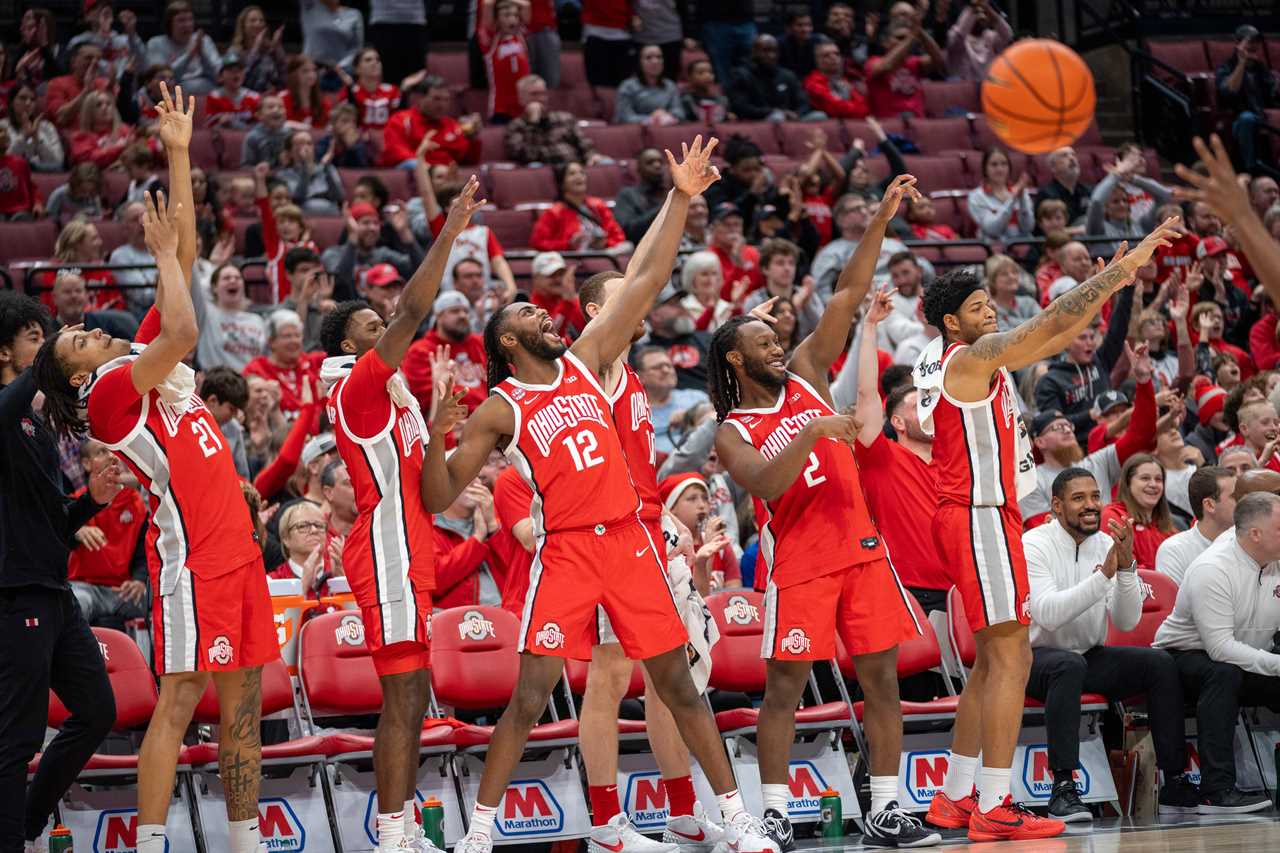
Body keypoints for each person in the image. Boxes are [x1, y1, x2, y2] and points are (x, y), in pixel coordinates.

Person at [425, 138, 774, 853]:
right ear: (506, 342)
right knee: (528, 698)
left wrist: (681, 197)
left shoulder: (587, 360)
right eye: (528, 314)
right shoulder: (501, 404)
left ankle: (734, 817)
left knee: (677, 683)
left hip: (631, 541)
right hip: (568, 553)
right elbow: (439, 490)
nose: (545, 317)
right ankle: (479, 833)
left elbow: (643, 281)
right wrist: (436, 431)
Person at [32, 85, 274, 853]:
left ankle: (243, 840)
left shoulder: (138, 363)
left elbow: (187, 264)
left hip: (237, 554)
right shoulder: (109, 396)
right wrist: (166, 256)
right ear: (75, 375)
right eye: (73, 337)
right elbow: (185, 319)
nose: (85, 331)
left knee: (243, 705)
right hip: (191, 561)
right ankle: (153, 842)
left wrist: (177, 152)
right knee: (179, 700)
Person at [915, 215, 1177, 840]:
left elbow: (1059, 333)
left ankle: (954, 797)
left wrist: (1112, 285)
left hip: (983, 517)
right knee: (1012, 655)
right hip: (977, 518)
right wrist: (1121, 270)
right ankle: (996, 805)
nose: (989, 314)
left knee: (989, 664)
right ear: (953, 323)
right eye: (979, 306)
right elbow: (1052, 321)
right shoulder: (971, 357)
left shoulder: (984, 363)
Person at [714, 176, 938, 848]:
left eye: (776, 335)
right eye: (761, 341)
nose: (776, 345)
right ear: (735, 357)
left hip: (861, 549)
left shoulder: (809, 369)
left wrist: (880, 218)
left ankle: (888, 807)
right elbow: (767, 483)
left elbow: (846, 294)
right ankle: (776, 808)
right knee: (785, 686)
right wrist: (813, 432)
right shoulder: (734, 426)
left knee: (883, 679)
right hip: (802, 561)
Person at [318, 176, 481, 852]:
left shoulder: (400, 403)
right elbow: (413, 309)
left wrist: (446, 428)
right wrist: (450, 228)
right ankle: (391, 832)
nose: (381, 325)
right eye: (369, 325)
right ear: (352, 346)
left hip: (413, 542)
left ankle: (404, 820)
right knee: (404, 693)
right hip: (383, 546)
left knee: (414, 698)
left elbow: (439, 498)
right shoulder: (358, 389)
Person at [572, 266, 729, 853]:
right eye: (623, 296)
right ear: (595, 314)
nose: (641, 301)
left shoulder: (631, 375)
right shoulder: (593, 363)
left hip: (646, 530)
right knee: (609, 678)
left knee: (670, 682)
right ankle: (606, 825)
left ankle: (683, 813)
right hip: (603, 537)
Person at [0, 291, 119, 852]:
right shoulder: (6, 412)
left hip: (54, 591)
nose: (48, 339)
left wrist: (90, 500)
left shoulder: (38, 427)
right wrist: (70, 352)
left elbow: (52, 522)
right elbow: (41, 373)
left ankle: (26, 821)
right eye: (36, 336)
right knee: (17, 739)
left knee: (97, 711)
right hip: (16, 595)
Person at [1024, 468, 1199, 822]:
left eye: (1095, 497)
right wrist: (1104, 575)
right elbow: (1048, 614)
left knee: (1159, 663)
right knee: (1066, 665)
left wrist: (1127, 569)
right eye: (1078, 499)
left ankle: (1175, 780)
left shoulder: (1106, 543)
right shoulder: (1034, 544)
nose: (1090, 506)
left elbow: (1126, 621)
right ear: (1056, 506)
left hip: (1086, 656)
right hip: (1033, 659)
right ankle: (1063, 787)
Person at [1151, 491, 1280, 813]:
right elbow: (1220, 648)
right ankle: (1216, 789)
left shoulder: (1273, 559)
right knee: (1223, 673)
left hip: (1245, 653)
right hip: (1180, 658)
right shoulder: (1213, 568)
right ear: (1255, 534)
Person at [1034, 281, 1137, 445]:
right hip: (1078, 447)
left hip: (1110, 439)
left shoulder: (1100, 361)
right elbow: (1053, 425)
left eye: (1091, 337)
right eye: (1082, 338)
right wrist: (1090, 415)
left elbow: (1118, 329)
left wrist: (1128, 289)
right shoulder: (1050, 381)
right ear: (1066, 343)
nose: (1090, 343)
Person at [403, 291, 489, 414]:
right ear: (438, 316)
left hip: (491, 417)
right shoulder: (420, 351)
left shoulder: (480, 343)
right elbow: (426, 400)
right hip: (453, 423)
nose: (462, 316)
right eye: (455, 311)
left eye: (465, 311)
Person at [1156, 466, 1236, 584]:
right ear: (1210, 505)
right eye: (1236, 496)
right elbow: (1174, 601)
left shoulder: (1251, 542)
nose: (1245, 501)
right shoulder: (1174, 550)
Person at [1215, 26, 1278, 172]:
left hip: (1263, 117)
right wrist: (1242, 62)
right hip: (1237, 121)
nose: (1254, 44)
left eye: (1256, 41)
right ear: (1237, 43)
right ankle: (1251, 169)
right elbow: (1229, 91)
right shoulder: (1226, 68)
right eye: (1250, 41)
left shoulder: (1261, 68)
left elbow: (1273, 93)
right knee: (1247, 118)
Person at [530, 162, 632, 253]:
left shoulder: (598, 205)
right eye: (572, 174)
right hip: (572, 256)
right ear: (561, 183)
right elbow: (538, 243)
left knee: (628, 246)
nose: (579, 176)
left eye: (582, 173)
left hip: (603, 252)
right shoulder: (554, 212)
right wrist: (569, 244)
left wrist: (605, 243)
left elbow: (618, 236)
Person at [381, 76, 481, 168]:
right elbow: (395, 153)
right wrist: (427, 168)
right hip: (416, 175)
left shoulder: (452, 125)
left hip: (447, 179)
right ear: (420, 98)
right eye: (436, 99)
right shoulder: (401, 120)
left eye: (446, 100)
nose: (442, 105)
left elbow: (468, 162)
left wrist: (473, 140)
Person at [1100, 453, 1176, 571]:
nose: (1153, 484)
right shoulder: (1113, 517)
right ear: (1128, 482)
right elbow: (1125, 568)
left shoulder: (1170, 528)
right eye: (1145, 478)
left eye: (1158, 479)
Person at [503, 75, 599, 166]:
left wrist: (591, 155)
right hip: (544, 173)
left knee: (605, 162)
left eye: (543, 93)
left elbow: (584, 143)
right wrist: (533, 122)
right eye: (534, 94)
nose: (541, 98)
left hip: (573, 169)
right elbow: (528, 155)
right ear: (521, 99)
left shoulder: (564, 118)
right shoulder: (516, 126)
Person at [634, 345, 711, 455]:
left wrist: (692, 416)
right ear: (641, 377)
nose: (666, 370)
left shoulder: (696, 398)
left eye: (669, 366)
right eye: (657, 367)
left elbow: (717, 423)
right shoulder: (635, 412)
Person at [864, 23, 943, 119]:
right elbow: (886, 66)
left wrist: (921, 33)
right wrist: (910, 38)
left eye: (908, 39)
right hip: (890, 125)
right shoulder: (873, 62)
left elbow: (939, 60)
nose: (906, 43)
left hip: (917, 123)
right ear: (885, 42)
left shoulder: (914, 62)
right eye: (900, 38)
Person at [727, 35, 813, 123]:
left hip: (790, 121)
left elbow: (804, 102)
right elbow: (740, 107)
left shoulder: (787, 75)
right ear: (754, 52)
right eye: (765, 51)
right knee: (777, 117)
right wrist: (772, 111)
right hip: (757, 122)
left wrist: (797, 113)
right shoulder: (741, 75)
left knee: (818, 115)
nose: (771, 55)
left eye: (774, 51)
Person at [145, 1, 220, 95]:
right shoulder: (156, 43)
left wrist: (202, 54)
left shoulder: (204, 40)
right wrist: (189, 56)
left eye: (190, 19)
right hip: (173, 94)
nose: (187, 25)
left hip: (207, 91)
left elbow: (218, 74)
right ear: (170, 23)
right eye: (181, 20)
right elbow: (162, 80)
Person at [477, 0, 531, 123]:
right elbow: (487, 4)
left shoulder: (522, 35)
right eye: (506, 15)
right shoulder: (490, 39)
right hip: (501, 107)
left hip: (522, 105)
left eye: (516, 15)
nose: (512, 19)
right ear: (497, 19)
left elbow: (526, 5)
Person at [967, 148, 1034, 240]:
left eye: (1004, 164)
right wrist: (1012, 199)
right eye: (994, 165)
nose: (1000, 169)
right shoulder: (976, 196)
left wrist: (1022, 199)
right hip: (993, 247)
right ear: (985, 169)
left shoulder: (1021, 192)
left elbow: (1028, 227)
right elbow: (992, 229)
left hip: (1023, 245)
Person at [616, 45, 689, 125]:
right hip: (636, 133)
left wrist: (667, 115)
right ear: (639, 62)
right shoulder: (627, 86)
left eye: (659, 57)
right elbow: (624, 117)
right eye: (648, 57)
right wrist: (652, 119)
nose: (655, 61)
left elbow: (680, 113)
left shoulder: (670, 85)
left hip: (665, 130)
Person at [276, 129, 344, 215]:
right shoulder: (284, 175)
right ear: (290, 152)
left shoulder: (327, 167)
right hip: (302, 217)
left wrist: (326, 168)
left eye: (309, 143)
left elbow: (339, 197)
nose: (305, 147)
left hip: (331, 214)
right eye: (300, 144)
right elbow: (297, 199)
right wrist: (305, 167)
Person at [0, 82, 64, 172]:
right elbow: (3, 161)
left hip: (43, 177)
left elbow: (57, 162)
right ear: (11, 102)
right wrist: (24, 137)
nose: (28, 103)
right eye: (22, 98)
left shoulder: (47, 127)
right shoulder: (2, 126)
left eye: (32, 99)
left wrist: (37, 138)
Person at [300, 0, 364, 86]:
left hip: (343, 69)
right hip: (312, 67)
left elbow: (356, 48)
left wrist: (340, 68)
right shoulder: (309, 6)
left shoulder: (353, 14)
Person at [944, 0, 1012, 81]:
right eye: (978, 12)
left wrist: (986, 7)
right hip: (965, 91)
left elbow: (1007, 35)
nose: (982, 16)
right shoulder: (957, 37)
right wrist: (974, 7)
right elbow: (958, 38)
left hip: (988, 90)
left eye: (984, 13)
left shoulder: (991, 37)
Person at [616, 149, 671, 245]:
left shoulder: (672, 192)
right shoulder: (629, 195)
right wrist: (664, 207)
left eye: (660, 162)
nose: (657, 165)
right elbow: (627, 232)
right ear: (639, 169)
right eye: (650, 163)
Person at [803, 36, 867, 118]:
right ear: (817, 60)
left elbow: (864, 106)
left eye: (837, 54)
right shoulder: (813, 83)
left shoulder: (844, 80)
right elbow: (836, 109)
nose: (833, 58)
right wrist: (858, 109)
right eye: (826, 55)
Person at [231, 5, 287, 93]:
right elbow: (237, 81)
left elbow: (283, 77)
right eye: (253, 20)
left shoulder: (269, 50)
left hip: (271, 99)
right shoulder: (234, 52)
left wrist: (277, 48)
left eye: (261, 20)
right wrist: (255, 49)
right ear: (243, 25)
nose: (258, 24)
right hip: (246, 99)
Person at [342, 47, 400, 130]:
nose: (375, 62)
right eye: (368, 60)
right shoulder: (350, 91)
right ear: (357, 69)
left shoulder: (393, 91)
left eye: (378, 59)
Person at [1038, 147, 1094, 226]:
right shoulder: (1047, 194)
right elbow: (1046, 231)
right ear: (1053, 167)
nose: (1071, 158)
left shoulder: (1087, 190)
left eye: (1073, 155)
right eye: (1064, 156)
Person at [240, 93, 291, 167]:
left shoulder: (289, 135)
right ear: (259, 115)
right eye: (270, 107)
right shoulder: (253, 137)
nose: (276, 110)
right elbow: (246, 166)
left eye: (280, 107)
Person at [680, 58, 732, 124]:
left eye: (710, 72)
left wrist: (728, 117)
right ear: (690, 77)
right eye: (701, 73)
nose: (707, 76)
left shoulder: (722, 100)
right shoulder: (686, 100)